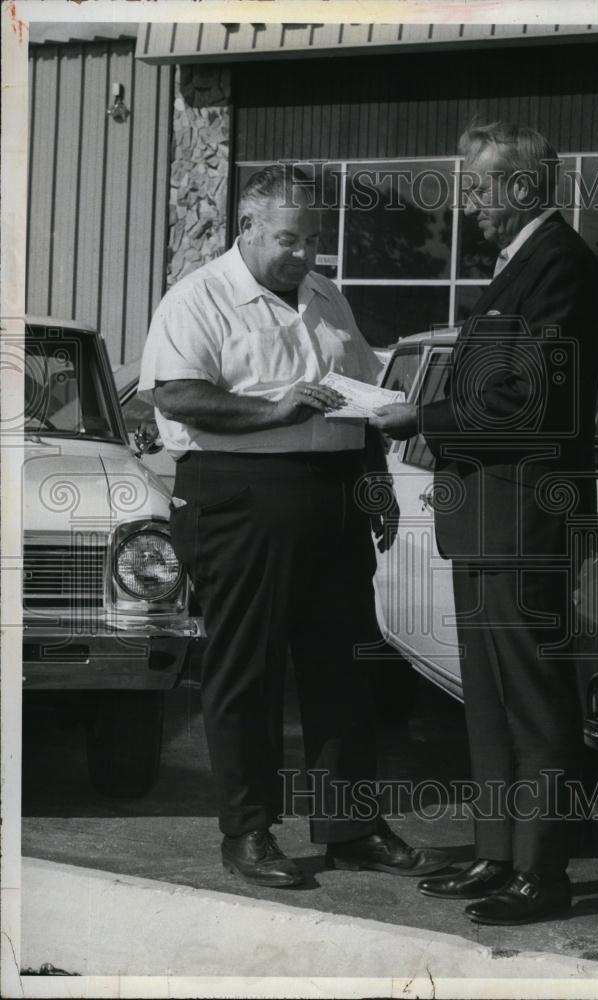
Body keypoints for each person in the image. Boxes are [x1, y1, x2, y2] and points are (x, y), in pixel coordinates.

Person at [139, 164, 450, 888]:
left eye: (314, 239)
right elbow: (176, 393)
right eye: (290, 239)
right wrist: (273, 412)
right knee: (246, 670)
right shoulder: (199, 297)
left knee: (342, 668)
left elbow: (365, 394)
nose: (306, 254)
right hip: (242, 495)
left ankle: (351, 826)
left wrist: (376, 483)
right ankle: (247, 831)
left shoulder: (324, 295)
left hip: (334, 496)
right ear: (246, 229)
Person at [371, 121, 598, 925]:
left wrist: (425, 419)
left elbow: (532, 400)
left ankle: (542, 873)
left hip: (524, 519)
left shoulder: (561, 267)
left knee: (534, 701)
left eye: (479, 184)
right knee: (489, 698)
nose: (469, 201)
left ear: (525, 184)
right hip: (486, 521)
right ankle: (497, 853)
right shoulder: (517, 267)